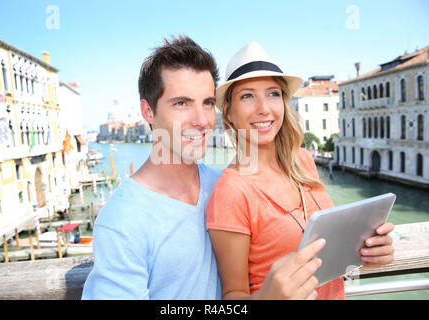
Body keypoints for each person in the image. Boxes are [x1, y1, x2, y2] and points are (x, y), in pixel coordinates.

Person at [82, 36, 328, 300]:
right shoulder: (121, 221)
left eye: (207, 103)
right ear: (148, 111)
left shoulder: (221, 184)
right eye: (181, 103)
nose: (201, 121)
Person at [206, 42, 395, 300]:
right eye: (247, 96)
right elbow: (233, 296)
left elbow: (329, 256)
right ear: (228, 111)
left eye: (273, 94)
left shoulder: (304, 161)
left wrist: (367, 251)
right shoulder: (231, 191)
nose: (264, 108)